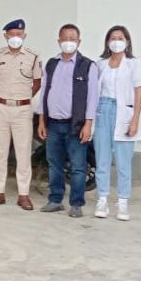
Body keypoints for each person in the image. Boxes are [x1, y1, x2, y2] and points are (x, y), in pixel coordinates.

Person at [36, 23, 97, 217]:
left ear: (79, 41)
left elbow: (92, 97)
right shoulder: (51, 64)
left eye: (72, 39)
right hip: (53, 123)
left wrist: (88, 124)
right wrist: (41, 120)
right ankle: (55, 200)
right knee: (54, 164)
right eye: (65, 38)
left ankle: (76, 204)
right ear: (58, 41)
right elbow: (44, 92)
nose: (68, 42)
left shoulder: (88, 66)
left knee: (78, 166)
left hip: (76, 124)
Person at [0, 19, 42, 211]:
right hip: (1, 107)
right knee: (0, 151)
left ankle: (23, 194)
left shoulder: (33, 57)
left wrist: (22, 98)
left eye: (19, 34)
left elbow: (37, 83)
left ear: (24, 36)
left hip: (22, 110)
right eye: (12, 34)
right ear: (5, 36)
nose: (15, 38)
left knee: (23, 152)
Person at [93, 25, 141, 221]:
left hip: (124, 112)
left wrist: (135, 120)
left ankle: (122, 202)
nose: (116, 41)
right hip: (103, 110)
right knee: (102, 158)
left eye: (120, 37)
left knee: (124, 161)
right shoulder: (101, 64)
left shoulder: (133, 64)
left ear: (127, 42)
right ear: (107, 42)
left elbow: (139, 91)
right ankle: (102, 198)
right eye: (112, 38)